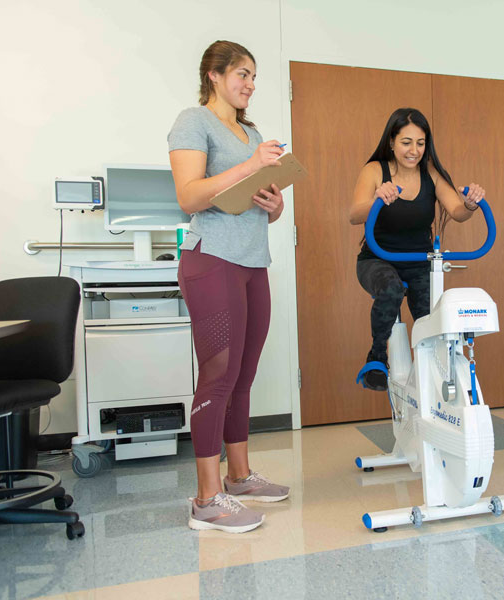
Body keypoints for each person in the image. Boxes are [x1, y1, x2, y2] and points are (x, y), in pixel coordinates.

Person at [168, 40, 290, 533]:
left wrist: (274, 204)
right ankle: (206, 498)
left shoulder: (251, 131)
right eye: (242, 74)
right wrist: (251, 165)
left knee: (243, 373)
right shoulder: (193, 122)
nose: (250, 84)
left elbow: (264, 202)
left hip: (251, 262)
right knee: (217, 374)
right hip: (210, 261)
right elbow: (190, 195)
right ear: (214, 75)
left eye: (254, 76)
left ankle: (239, 477)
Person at [349, 108, 484, 390]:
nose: (414, 150)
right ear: (391, 142)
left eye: (420, 143)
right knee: (391, 289)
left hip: (420, 261)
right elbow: (354, 215)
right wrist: (376, 198)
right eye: (406, 142)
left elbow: (458, 211)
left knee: (430, 314)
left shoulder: (430, 174)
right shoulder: (375, 170)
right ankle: (376, 357)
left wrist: (471, 204)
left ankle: (433, 373)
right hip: (378, 259)